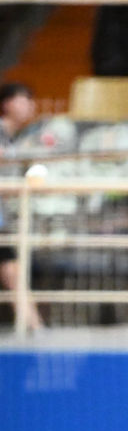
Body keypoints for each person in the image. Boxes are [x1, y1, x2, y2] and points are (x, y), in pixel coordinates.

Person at [0, 82, 43, 331]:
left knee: (11, 269)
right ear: (7, 104)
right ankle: (36, 328)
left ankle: (35, 328)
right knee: (11, 269)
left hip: (3, 218)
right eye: (24, 99)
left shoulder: (14, 139)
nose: (30, 106)